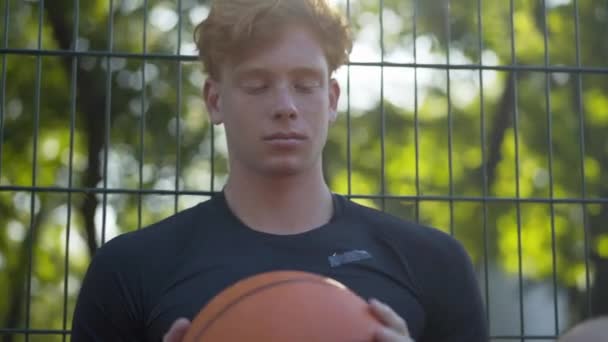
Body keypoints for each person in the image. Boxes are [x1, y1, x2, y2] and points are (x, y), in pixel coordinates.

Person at [71, 0, 488, 341]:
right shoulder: (130, 269)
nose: (286, 106)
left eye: (305, 85)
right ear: (215, 101)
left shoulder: (434, 262)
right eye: (257, 85)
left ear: (331, 99)